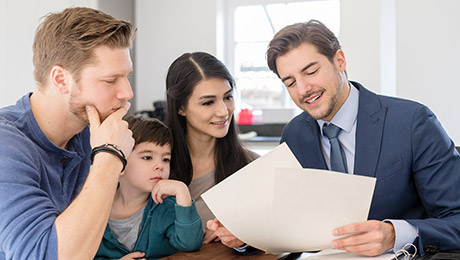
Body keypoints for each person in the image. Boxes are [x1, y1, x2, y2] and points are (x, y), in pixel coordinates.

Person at [266, 20, 460, 256]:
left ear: (340, 60)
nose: (303, 89)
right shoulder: (294, 135)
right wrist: (242, 236)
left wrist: (395, 234)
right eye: (291, 82)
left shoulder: (412, 122)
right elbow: (286, 220)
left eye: (311, 71)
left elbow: (456, 218)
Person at [0, 7, 137, 259]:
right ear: (61, 80)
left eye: (127, 76)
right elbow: (42, 255)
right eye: (110, 80)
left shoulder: (90, 131)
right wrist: (109, 156)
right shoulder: (6, 145)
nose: (127, 92)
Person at [165, 52, 259, 253]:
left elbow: (273, 236)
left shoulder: (252, 167)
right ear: (181, 107)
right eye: (208, 102)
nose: (223, 111)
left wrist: (241, 239)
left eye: (228, 97)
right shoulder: (155, 164)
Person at [95, 115, 203, 259]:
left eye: (166, 159)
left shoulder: (166, 205)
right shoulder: (95, 205)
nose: (160, 165)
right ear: (120, 162)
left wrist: (183, 193)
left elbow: (190, 244)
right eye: (147, 157)